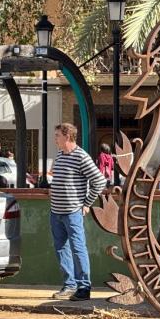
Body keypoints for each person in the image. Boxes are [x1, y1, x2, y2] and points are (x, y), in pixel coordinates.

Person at [49, 122, 106, 300]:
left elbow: (99, 181)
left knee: (78, 248)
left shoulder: (81, 156)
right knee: (61, 249)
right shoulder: (60, 155)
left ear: (67, 136)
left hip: (72, 212)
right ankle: (69, 285)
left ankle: (84, 288)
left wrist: (87, 203)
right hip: (55, 211)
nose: (55, 139)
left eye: (57, 135)